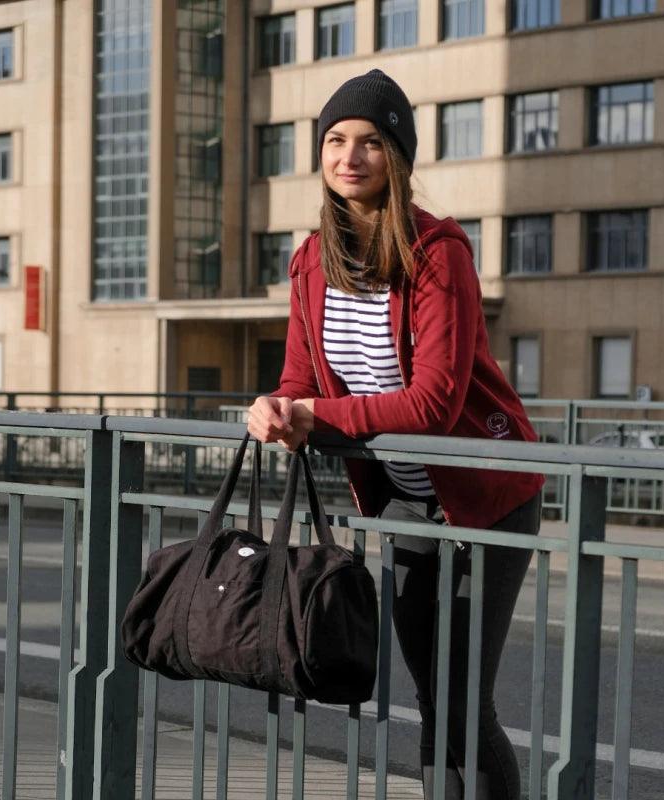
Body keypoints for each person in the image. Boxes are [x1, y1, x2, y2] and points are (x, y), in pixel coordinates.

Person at [247, 68, 545, 800]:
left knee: (461, 705)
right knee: (429, 701)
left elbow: (436, 401)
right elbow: (299, 378)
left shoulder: (438, 252)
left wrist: (320, 417)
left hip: (486, 496)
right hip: (407, 503)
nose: (350, 156)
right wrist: (275, 408)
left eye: (371, 141)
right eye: (336, 140)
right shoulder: (311, 261)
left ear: (398, 156)